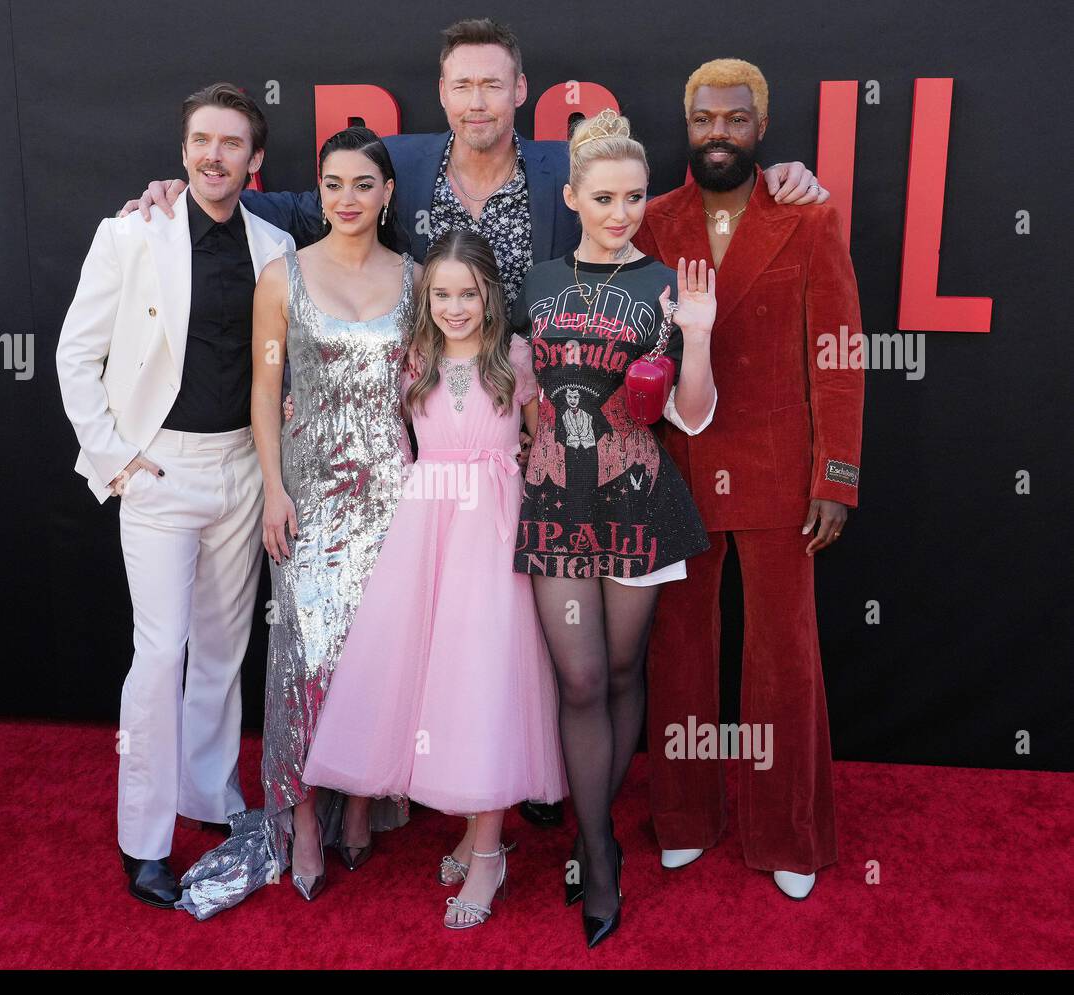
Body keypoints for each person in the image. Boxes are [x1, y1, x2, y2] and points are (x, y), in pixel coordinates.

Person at [120, 21, 825, 830]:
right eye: (462, 85)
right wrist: (195, 190)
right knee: (452, 628)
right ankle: (426, 785)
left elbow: (669, 197)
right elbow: (311, 200)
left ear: (521, 90)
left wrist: (779, 180)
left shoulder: (572, 171)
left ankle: (548, 789)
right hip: (434, 450)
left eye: (493, 84)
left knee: (533, 639)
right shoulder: (405, 165)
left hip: (555, 449)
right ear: (444, 93)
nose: (477, 100)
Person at [55, 84, 294, 907]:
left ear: (254, 160)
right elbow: (73, 355)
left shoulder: (274, 244)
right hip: (159, 471)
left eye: (232, 144)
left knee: (225, 651)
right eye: (201, 140)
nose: (214, 156)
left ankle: (208, 794)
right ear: (183, 147)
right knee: (159, 656)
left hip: (243, 467)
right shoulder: (130, 234)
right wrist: (116, 462)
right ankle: (144, 839)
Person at [176, 126, 421, 919]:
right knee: (304, 661)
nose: (345, 199)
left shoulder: (418, 281)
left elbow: (428, 390)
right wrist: (274, 489)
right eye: (333, 184)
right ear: (318, 193)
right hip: (309, 496)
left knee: (376, 659)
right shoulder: (282, 277)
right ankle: (305, 815)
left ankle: (361, 805)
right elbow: (262, 390)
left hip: (392, 493)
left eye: (362, 184)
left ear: (387, 195)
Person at [636, 59, 864, 901]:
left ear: (760, 128)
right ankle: (685, 818)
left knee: (782, 658)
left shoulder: (809, 216)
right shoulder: (653, 220)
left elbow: (838, 357)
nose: (718, 133)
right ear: (687, 125)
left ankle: (789, 833)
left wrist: (834, 474)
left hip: (777, 470)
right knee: (681, 651)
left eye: (735, 120)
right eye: (703, 119)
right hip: (678, 468)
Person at [301, 230, 567, 929]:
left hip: (493, 535)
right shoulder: (415, 362)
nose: (455, 306)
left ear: (491, 295)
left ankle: (488, 852)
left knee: (484, 684)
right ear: (425, 299)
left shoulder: (514, 360)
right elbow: (370, 428)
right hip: (426, 535)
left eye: (469, 294)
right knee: (437, 685)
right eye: (441, 294)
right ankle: (475, 830)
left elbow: (543, 449)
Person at [511, 109, 717, 947]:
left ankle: (599, 830)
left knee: (626, 668)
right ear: (573, 196)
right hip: (560, 499)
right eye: (603, 197)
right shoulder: (535, 283)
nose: (622, 212)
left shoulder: (668, 286)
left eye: (634, 196)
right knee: (583, 681)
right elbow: (521, 397)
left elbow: (694, 420)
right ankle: (596, 850)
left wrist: (696, 340)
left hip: (638, 497)